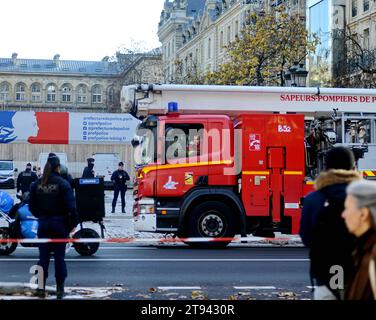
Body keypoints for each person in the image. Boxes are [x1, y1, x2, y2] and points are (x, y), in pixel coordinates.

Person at [300, 146, 362, 300]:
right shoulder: (367, 198)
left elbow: (306, 238)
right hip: (360, 281)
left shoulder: (313, 200)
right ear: (353, 167)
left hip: (325, 280)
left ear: (326, 168)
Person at [29, 153, 78, 299]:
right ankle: (59, 289)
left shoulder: (37, 184)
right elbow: (72, 208)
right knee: (59, 257)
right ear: (58, 167)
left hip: (43, 225)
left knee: (43, 257)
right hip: (60, 225)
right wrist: (71, 225)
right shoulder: (63, 184)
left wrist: (42, 217)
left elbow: (32, 207)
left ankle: (40, 288)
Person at [342, 180, 376, 300]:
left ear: (363, 214)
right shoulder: (362, 248)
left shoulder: (372, 255)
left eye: (347, 208)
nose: (343, 215)